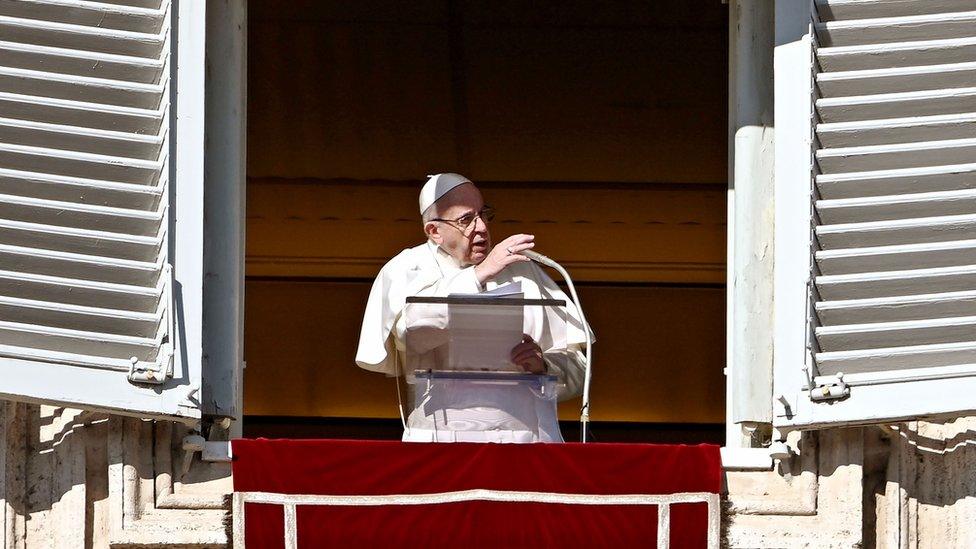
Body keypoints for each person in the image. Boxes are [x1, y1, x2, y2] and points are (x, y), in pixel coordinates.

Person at [355, 173, 589, 442]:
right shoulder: (407, 267)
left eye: (483, 214)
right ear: (434, 231)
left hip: (525, 439)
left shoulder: (523, 269)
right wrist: (479, 275)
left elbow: (579, 365)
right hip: (440, 439)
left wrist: (543, 365)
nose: (482, 227)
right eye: (466, 220)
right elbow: (413, 332)